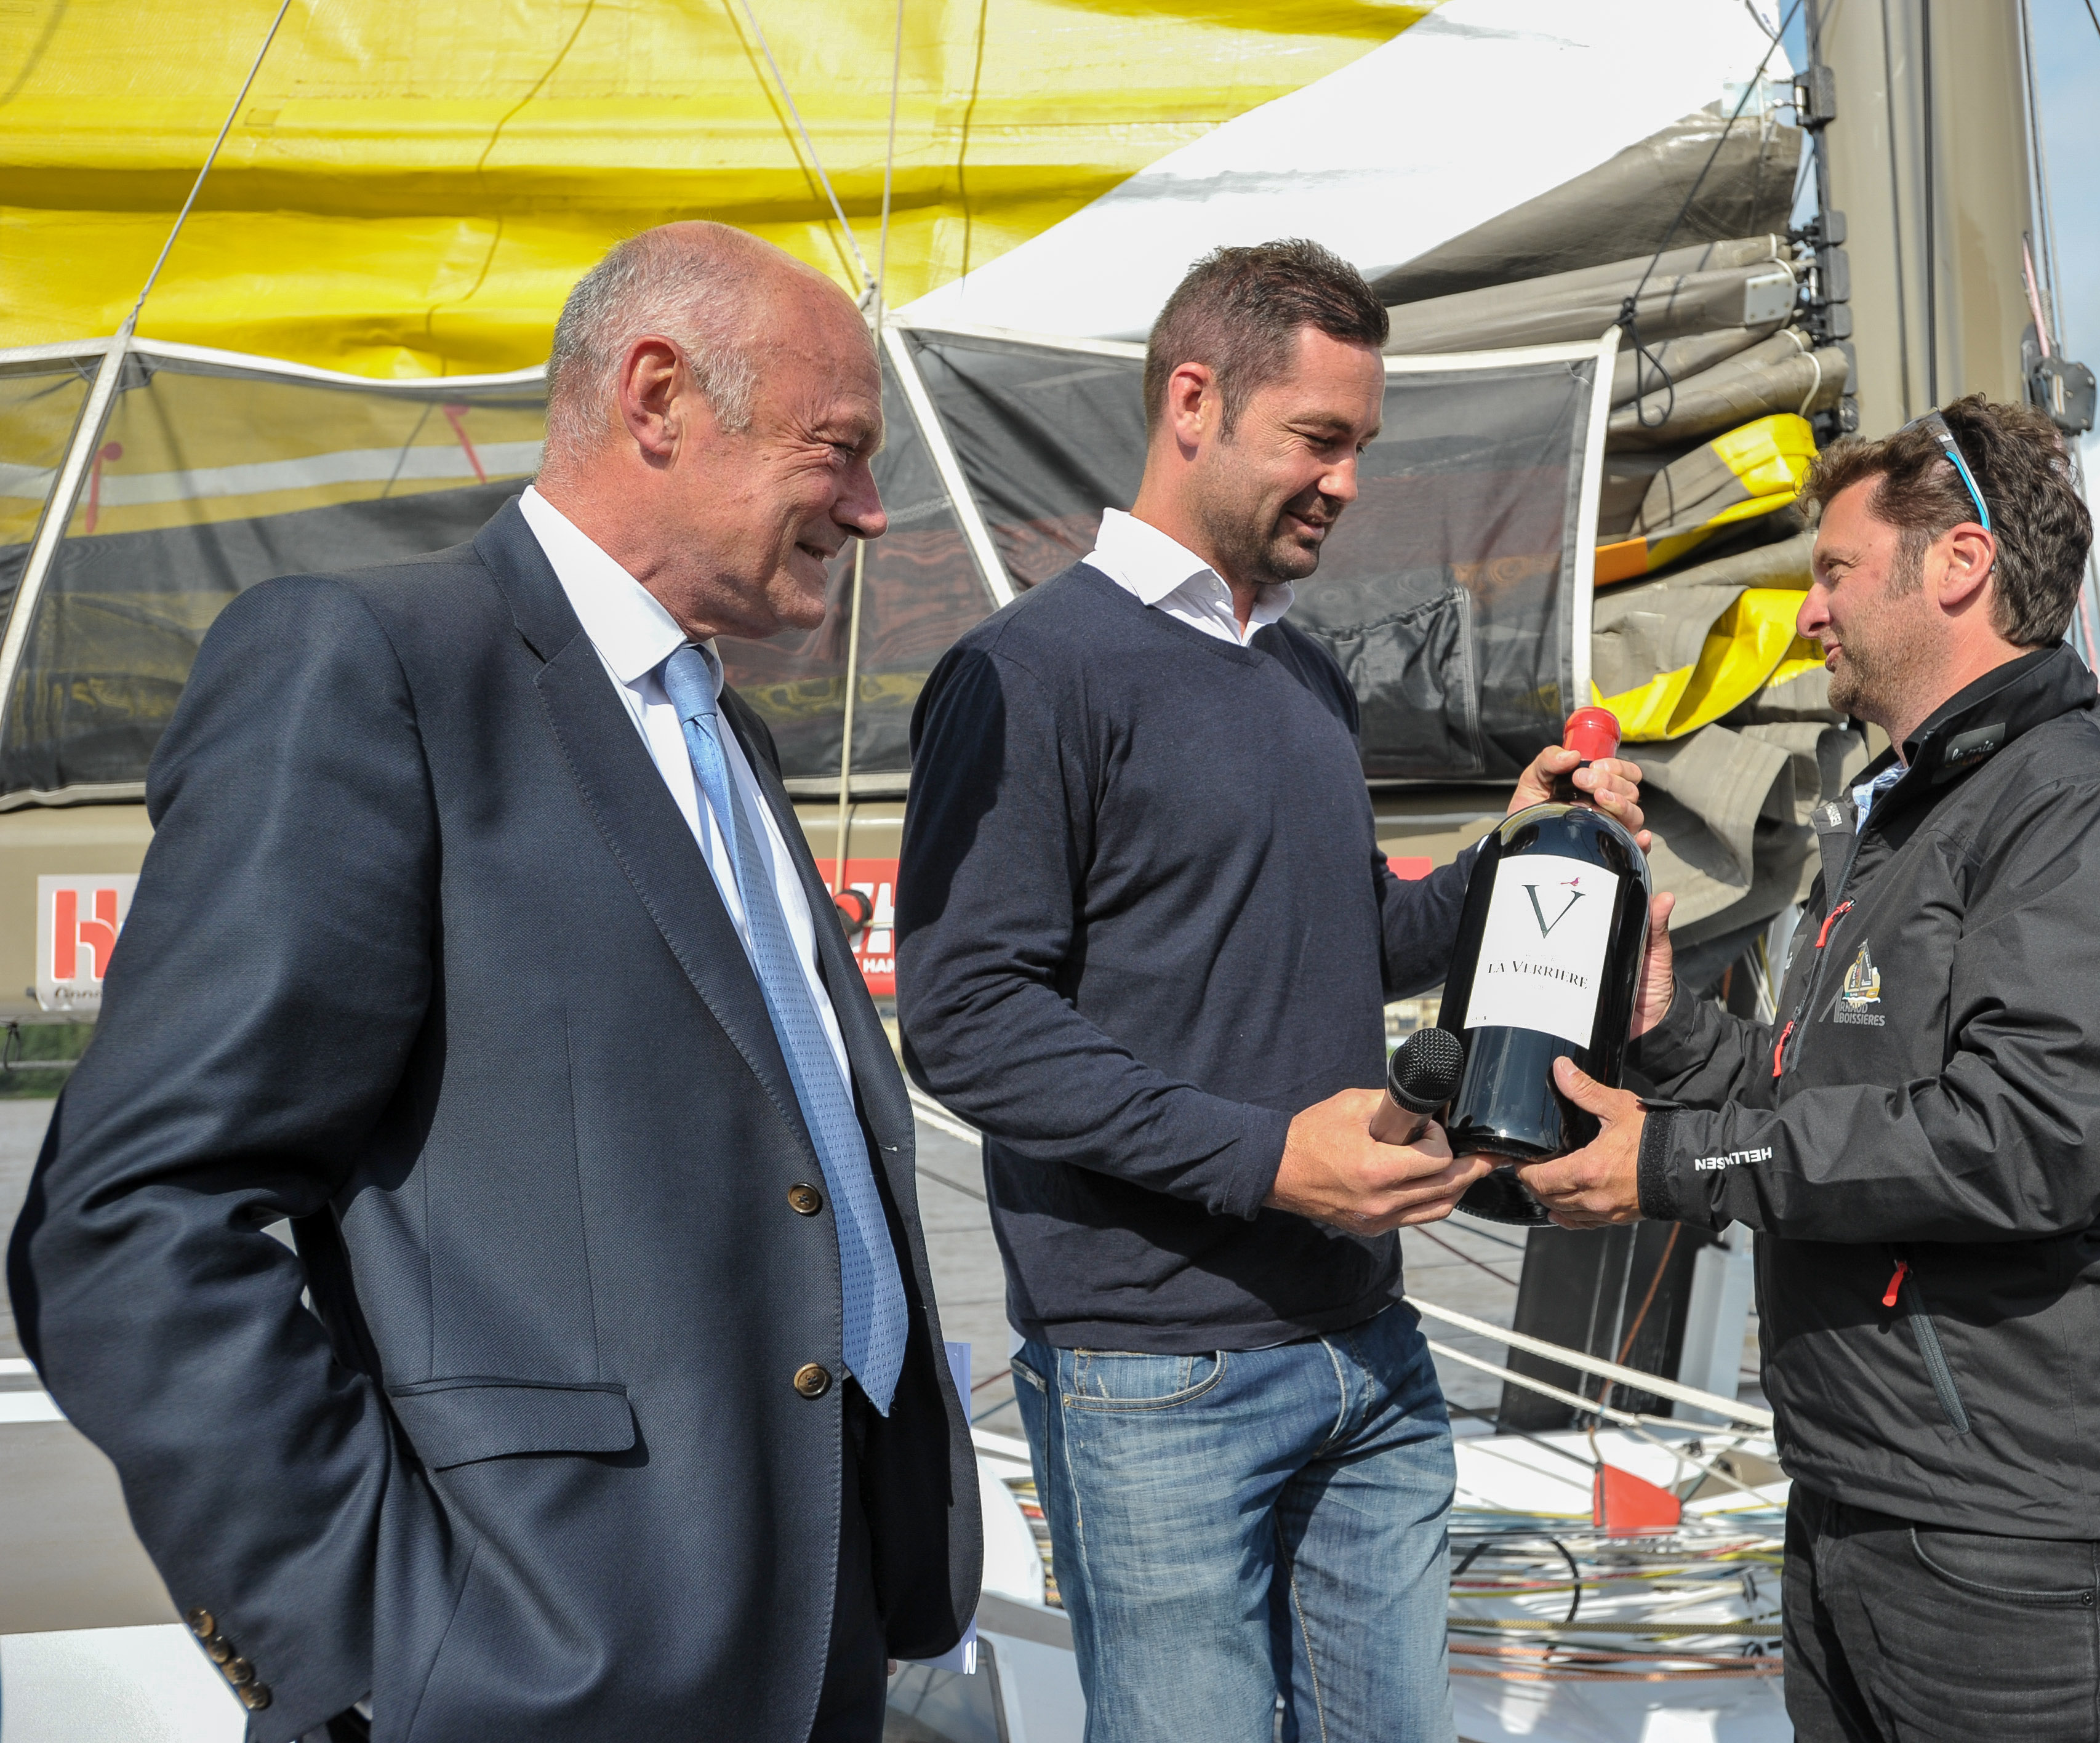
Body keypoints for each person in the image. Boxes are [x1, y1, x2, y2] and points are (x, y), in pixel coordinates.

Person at [6, 223, 977, 1742]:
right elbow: (130, 1218)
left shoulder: (722, 732)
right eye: (838, 450)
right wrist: (371, 1641)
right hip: (527, 1672)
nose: (867, 509)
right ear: (657, 398)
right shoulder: (372, 666)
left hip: (814, 1641)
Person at [892, 239, 1646, 1743]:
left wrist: (1517, 853)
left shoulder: (1302, 677)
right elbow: (965, 1019)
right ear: (1194, 402)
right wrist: (1268, 1161)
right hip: (1155, 1376)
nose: (1347, 482)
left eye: (1360, 445)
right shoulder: (1024, 672)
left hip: (1370, 1346)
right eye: (1318, 438)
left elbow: (1353, 937)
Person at [1512, 396, 2100, 1742]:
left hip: (2023, 1540)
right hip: (1868, 1491)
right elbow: (1829, 1095)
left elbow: (2020, 1142)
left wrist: (1668, 1163)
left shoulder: (2084, 816)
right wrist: (1669, 1031)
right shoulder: (1917, 817)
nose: (1808, 615)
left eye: (1835, 572)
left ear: (1958, 563)